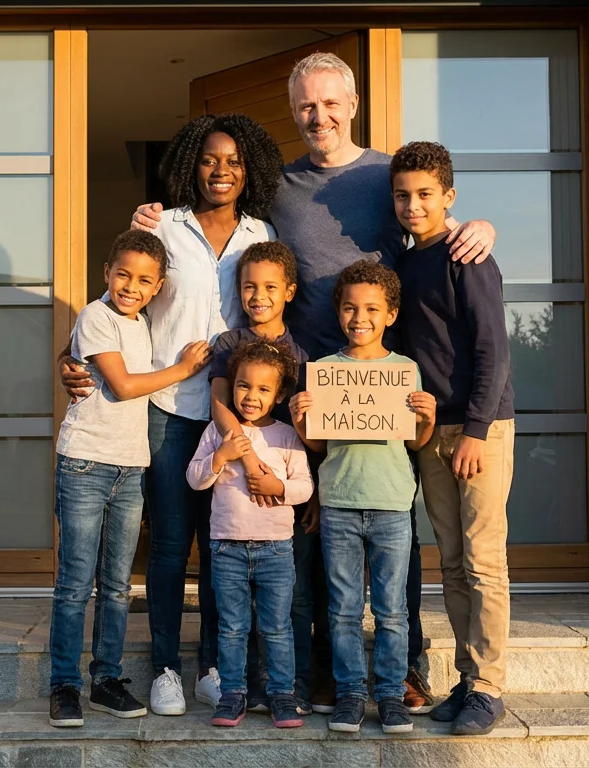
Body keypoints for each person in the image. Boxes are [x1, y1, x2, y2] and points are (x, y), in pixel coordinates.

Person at [129, 52, 497, 714]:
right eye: (305, 104)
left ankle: (403, 669)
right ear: (294, 109)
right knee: (315, 535)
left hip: (378, 383)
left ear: (351, 105)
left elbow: (427, 227)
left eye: (330, 103)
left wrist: (478, 226)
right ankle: (324, 671)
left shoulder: (388, 176)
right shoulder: (281, 189)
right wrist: (150, 221)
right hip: (299, 385)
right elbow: (219, 211)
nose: (317, 115)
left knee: (390, 530)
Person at [64, 114, 287, 717]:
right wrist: (71, 354)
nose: (222, 170)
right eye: (211, 159)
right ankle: (164, 667)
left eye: (235, 161)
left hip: (230, 413)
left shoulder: (259, 232)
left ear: (250, 171)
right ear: (193, 164)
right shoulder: (161, 225)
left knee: (222, 544)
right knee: (168, 545)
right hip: (165, 410)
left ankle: (214, 666)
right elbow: (118, 298)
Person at [47, 230, 212, 729]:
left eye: (144, 281)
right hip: (85, 464)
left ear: (158, 287)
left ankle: (106, 680)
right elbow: (121, 386)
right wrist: (184, 368)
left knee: (117, 586)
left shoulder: (141, 324)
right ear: (106, 273)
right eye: (123, 275)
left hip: (130, 467)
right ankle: (64, 686)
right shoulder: (96, 316)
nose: (131, 287)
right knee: (76, 583)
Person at [390, 141, 516, 736]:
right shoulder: (407, 262)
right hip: (430, 430)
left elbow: (493, 348)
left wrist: (474, 430)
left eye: (424, 195)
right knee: (455, 564)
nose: (413, 206)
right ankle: (468, 679)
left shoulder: (468, 255)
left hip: (477, 431)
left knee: (485, 560)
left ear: (449, 198)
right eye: (403, 195)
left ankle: (490, 686)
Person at [289, 261, 436, 734]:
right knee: (344, 607)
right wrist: (300, 421)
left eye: (372, 309)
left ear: (390, 315)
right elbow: (318, 444)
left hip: (393, 503)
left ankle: (391, 694)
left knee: (392, 609)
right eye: (350, 308)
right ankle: (351, 692)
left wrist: (428, 417)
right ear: (338, 313)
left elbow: (415, 441)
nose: (360, 317)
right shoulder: (326, 371)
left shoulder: (405, 370)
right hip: (339, 503)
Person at [206, 241, 314, 713]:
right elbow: (218, 404)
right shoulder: (229, 344)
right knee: (233, 614)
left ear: (289, 291)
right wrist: (249, 461)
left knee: (290, 606)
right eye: (249, 286)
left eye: (270, 286)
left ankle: (290, 689)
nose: (258, 295)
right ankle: (238, 688)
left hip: (283, 508)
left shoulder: (303, 352)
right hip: (236, 510)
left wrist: (307, 497)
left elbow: (308, 431)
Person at [187, 341, 313, 729]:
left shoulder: (286, 436)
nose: (251, 396)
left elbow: (305, 487)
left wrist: (278, 487)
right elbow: (195, 478)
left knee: (277, 626)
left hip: (276, 549)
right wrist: (220, 457)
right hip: (227, 546)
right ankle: (232, 695)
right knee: (232, 626)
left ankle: (281, 695)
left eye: (262, 389)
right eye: (243, 386)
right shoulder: (217, 431)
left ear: (279, 394)